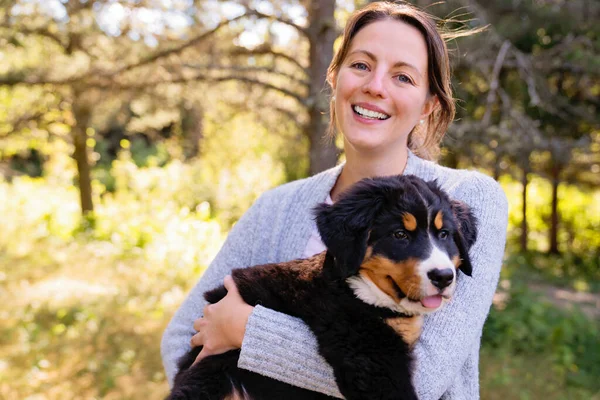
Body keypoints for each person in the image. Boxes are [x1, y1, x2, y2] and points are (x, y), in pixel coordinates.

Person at [161, 1, 508, 399]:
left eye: (403, 77)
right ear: (334, 76)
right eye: (361, 65)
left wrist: (246, 330)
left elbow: (422, 382)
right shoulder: (276, 207)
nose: (375, 86)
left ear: (428, 104)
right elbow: (181, 338)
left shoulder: (469, 199)